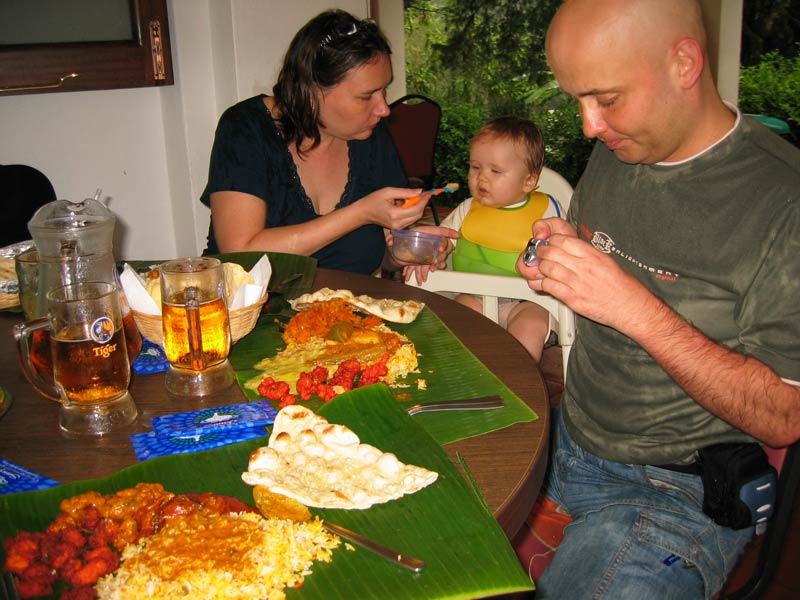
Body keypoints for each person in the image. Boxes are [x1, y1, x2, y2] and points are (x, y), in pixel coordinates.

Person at [516, 1, 800, 598]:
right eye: (577, 100)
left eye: (606, 99)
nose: (588, 125)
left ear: (684, 63)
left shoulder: (784, 203)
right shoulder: (622, 146)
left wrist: (631, 306)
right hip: (567, 435)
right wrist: (564, 252)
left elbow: (783, 416)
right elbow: (615, 255)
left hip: (677, 486)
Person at [199, 9, 444, 275]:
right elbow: (242, 254)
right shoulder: (246, 128)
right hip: (248, 314)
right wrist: (359, 213)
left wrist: (409, 252)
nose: (384, 109)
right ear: (312, 92)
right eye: (367, 96)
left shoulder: (372, 136)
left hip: (344, 312)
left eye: (385, 90)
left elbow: (380, 259)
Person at [404, 116, 563, 361]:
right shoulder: (467, 210)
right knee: (457, 320)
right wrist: (432, 252)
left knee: (531, 326)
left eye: (496, 171)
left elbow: (564, 252)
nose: (482, 177)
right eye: (476, 167)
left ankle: (519, 379)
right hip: (474, 297)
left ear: (529, 180)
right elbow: (445, 241)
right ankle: (467, 373)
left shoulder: (548, 213)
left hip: (527, 300)